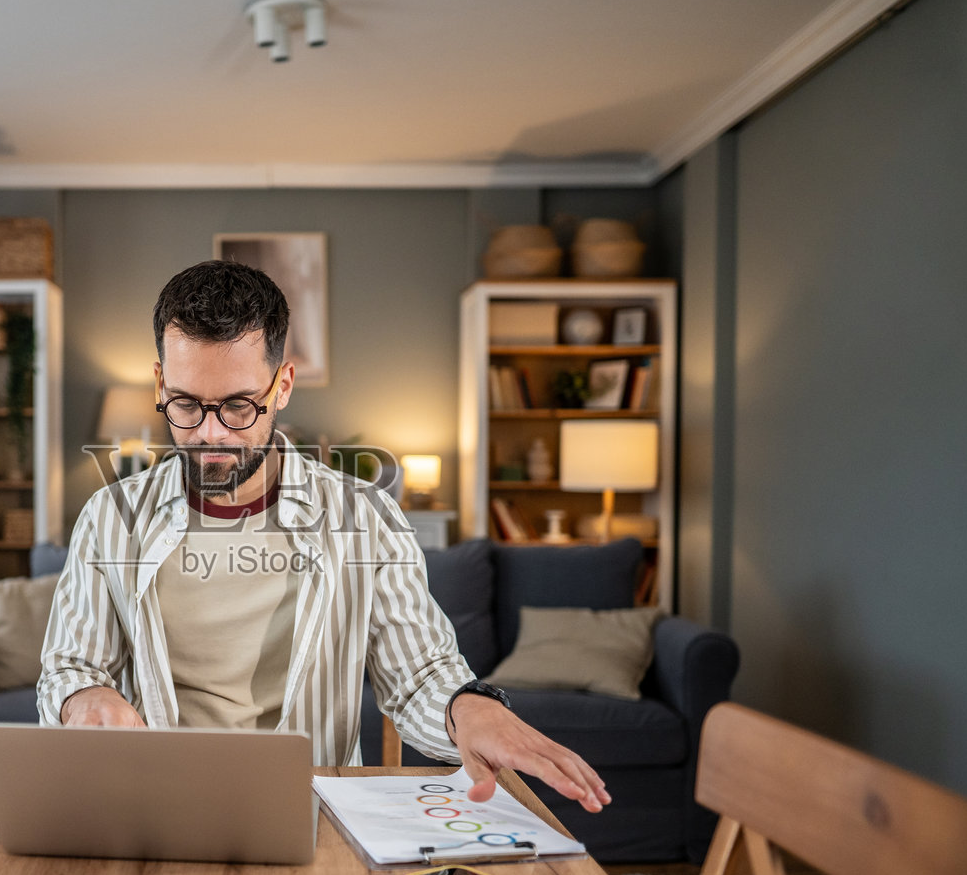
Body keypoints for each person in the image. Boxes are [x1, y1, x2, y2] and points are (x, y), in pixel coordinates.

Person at [37, 261, 609, 811]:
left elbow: (418, 675)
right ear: (161, 383)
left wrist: (472, 709)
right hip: (154, 803)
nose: (210, 434)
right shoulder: (109, 517)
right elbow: (69, 665)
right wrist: (82, 698)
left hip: (312, 809)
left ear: (282, 386)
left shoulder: (366, 519)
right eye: (186, 404)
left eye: (238, 406)